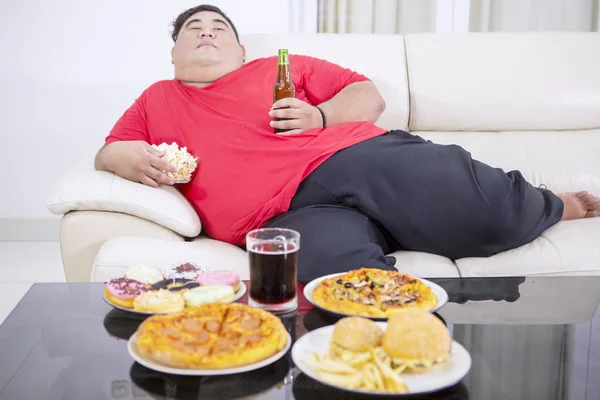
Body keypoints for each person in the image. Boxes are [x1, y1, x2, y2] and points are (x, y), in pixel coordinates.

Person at [95, 4, 600, 283]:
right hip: (279, 219)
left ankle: (552, 202)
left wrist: (319, 114)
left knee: (490, 214)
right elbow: (108, 151)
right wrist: (129, 157)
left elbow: (367, 96)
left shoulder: (277, 68)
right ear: (174, 51)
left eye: (218, 27)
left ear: (241, 48)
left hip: (352, 159)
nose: (206, 33)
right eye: (193, 29)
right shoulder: (157, 97)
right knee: (335, 285)